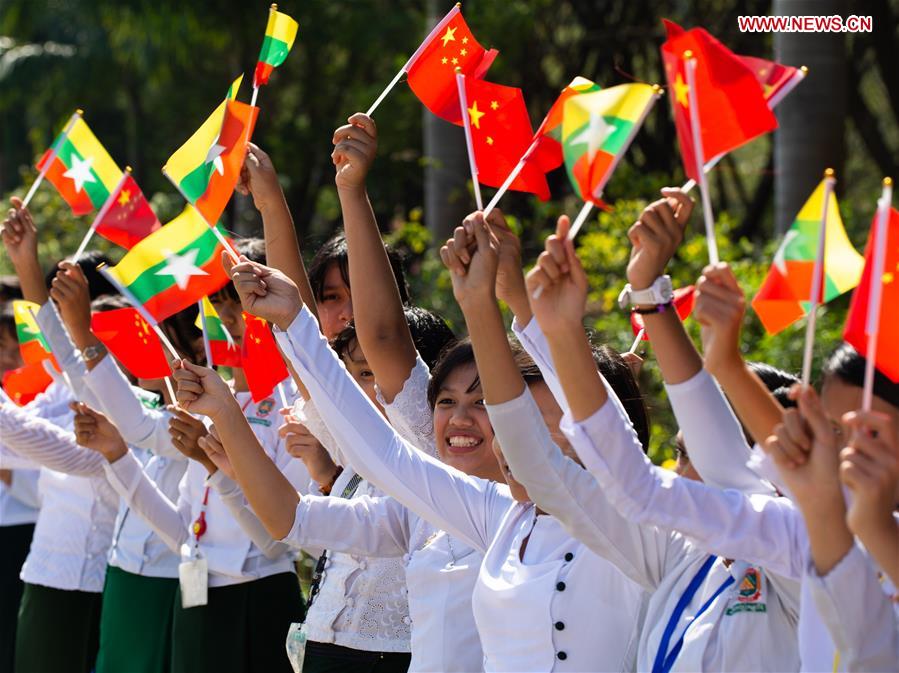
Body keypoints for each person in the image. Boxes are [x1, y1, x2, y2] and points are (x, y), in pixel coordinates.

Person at [204, 228, 650, 671]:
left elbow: (386, 344)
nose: (511, 439)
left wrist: (533, 314)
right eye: (447, 402)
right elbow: (381, 457)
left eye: (535, 428)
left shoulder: (635, 527)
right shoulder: (496, 512)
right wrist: (294, 323)